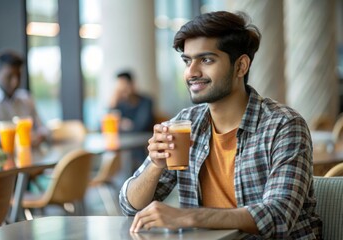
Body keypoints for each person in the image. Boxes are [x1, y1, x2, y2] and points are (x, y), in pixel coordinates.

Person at [119, 11, 322, 239]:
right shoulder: (185, 124)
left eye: (206, 60)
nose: (191, 72)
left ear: (241, 66)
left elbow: (279, 215)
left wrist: (189, 216)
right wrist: (155, 166)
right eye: (187, 61)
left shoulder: (283, 125)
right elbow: (130, 207)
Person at [0, 50, 48, 147]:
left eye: (18, 76)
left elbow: (43, 129)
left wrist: (39, 137)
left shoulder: (26, 98)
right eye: (9, 77)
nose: (15, 82)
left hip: (29, 157)